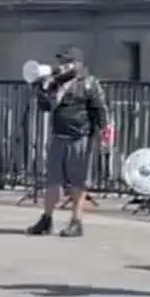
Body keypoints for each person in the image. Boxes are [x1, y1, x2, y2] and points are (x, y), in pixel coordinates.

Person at [27, 46, 113, 238]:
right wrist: (42, 87)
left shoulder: (89, 83)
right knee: (53, 180)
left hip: (80, 136)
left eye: (67, 62)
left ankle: (76, 221)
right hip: (59, 135)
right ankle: (46, 219)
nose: (62, 66)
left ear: (77, 64)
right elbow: (46, 107)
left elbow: (100, 110)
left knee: (78, 182)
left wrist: (105, 133)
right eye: (61, 62)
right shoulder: (56, 83)